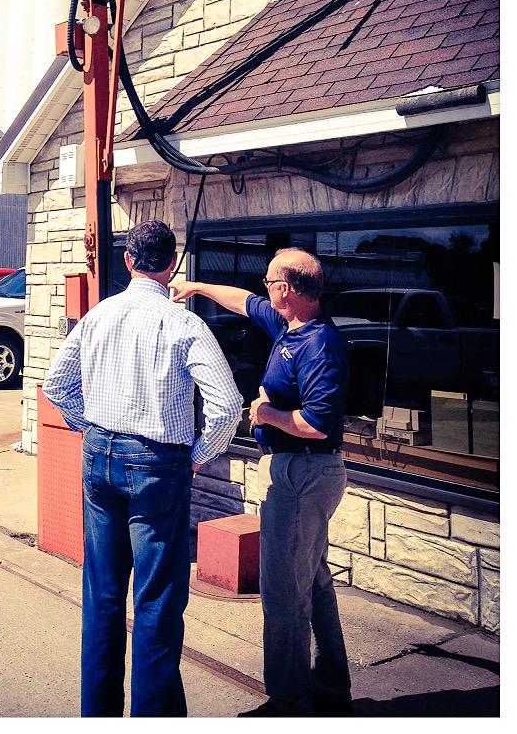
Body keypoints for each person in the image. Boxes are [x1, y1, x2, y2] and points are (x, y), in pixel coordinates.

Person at [43, 220, 243, 718]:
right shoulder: (184, 324)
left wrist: (87, 428)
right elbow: (226, 407)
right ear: (172, 266)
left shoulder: (99, 315)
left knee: (104, 595)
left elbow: (55, 385)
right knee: (155, 600)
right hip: (157, 466)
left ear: (129, 261)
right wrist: (198, 456)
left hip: (100, 458)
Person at [170, 248, 352, 717]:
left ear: (286, 289)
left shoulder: (319, 345)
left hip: (303, 471)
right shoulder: (288, 327)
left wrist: (265, 412)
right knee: (311, 580)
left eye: (270, 280)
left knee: (283, 593)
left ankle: (289, 703)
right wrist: (196, 287)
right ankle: (331, 687)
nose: (264, 288)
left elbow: (317, 423)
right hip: (298, 470)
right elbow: (242, 301)